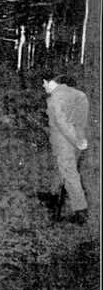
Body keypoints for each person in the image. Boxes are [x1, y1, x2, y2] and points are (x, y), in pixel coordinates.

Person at [37, 73, 90, 224]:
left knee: (69, 173)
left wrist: (75, 141)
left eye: (44, 83)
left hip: (65, 142)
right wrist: (80, 138)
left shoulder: (54, 99)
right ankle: (53, 196)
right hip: (76, 139)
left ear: (50, 82)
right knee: (63, 169)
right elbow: (81, 120)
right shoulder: (79, 95)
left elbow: (61, 124)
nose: (43, 86)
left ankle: (80, 211)